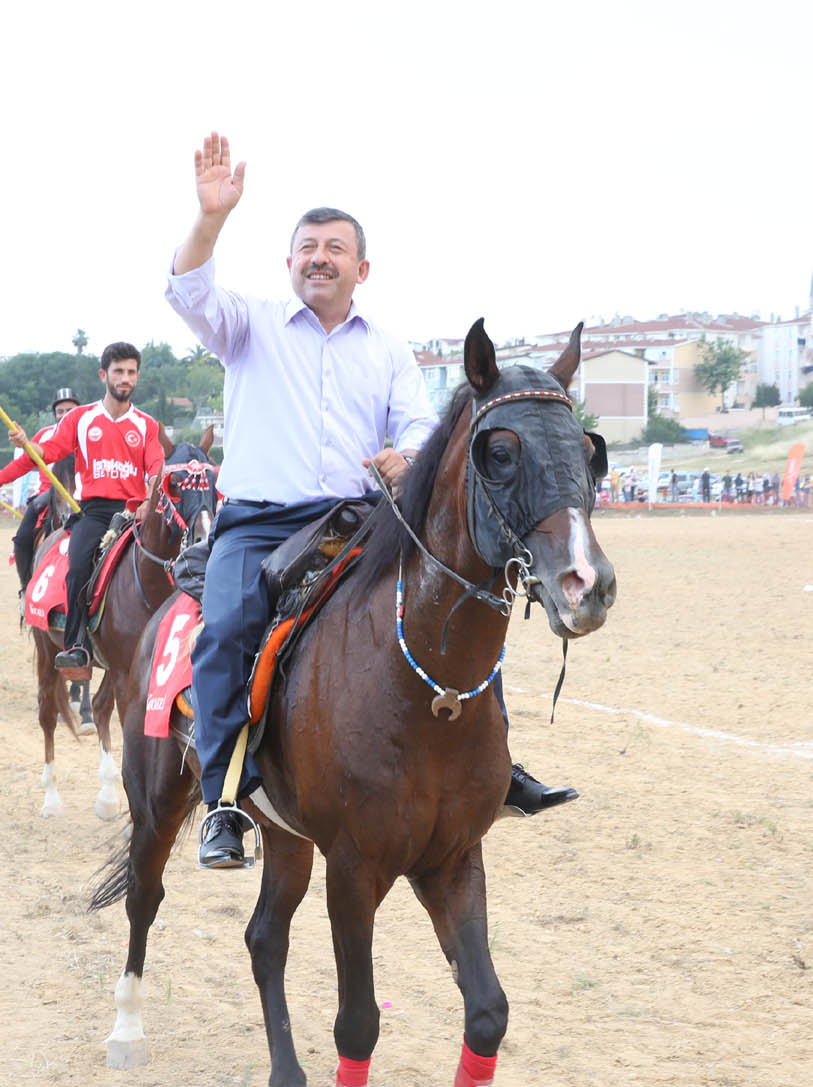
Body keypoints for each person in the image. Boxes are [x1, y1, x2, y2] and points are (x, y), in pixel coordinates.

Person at [165, 132, 574, 869]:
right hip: (260, 524)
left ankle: (496, 765)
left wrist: (408, 454)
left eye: (334, 247)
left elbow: (419, 423)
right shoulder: (248, 325)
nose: (318, 256)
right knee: (225, 629)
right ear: (289, 262)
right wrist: (212, 217)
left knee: (456, 600)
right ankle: (226, 800)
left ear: (362, 267)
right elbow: (189, 288)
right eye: (306, 247)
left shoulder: (387, 346)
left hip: (358, 523)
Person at [0, 347, 163, 667]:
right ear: (103, 375)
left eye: (131, 372)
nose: (125, 378)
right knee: (78, 567)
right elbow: (46, 451)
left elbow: (156, 467)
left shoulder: (147, 424)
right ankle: (77, 644)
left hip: (134, 514)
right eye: (119, 371)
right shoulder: (81, 418)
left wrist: (149, 500)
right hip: (95, 512)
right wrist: (22, 448)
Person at [0, 388, 80, 594]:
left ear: (79, 410)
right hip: (48, 495)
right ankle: (26, 587)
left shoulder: (89, 432)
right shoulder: (44, 435)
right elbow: (23, 464)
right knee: (23, 537)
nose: (64, 414)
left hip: (82, 494)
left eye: (69, 409)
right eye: (60, 410)